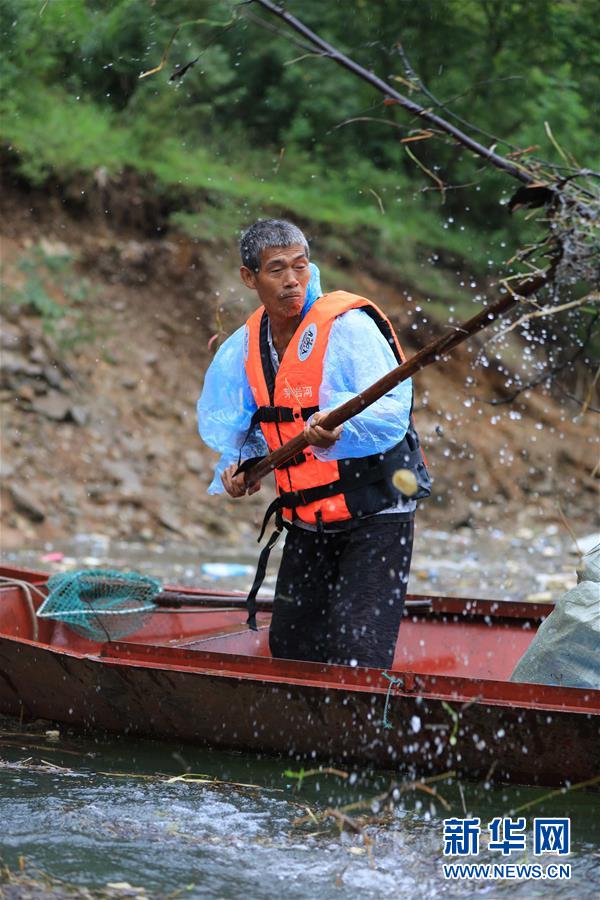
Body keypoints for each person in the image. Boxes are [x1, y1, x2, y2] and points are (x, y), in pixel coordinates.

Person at [197, 219, 430, 669]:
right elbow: (245, 427)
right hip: (308, 518)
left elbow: (390, 415)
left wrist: (342, 431)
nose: (291, 280)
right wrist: (241, 466)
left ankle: (364, 731)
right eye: (277, 270)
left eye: (300, 267)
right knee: (291, 648)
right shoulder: (245, 346)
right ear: (250, 278)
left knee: (357, 653)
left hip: (375, 513)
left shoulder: (348, 328)